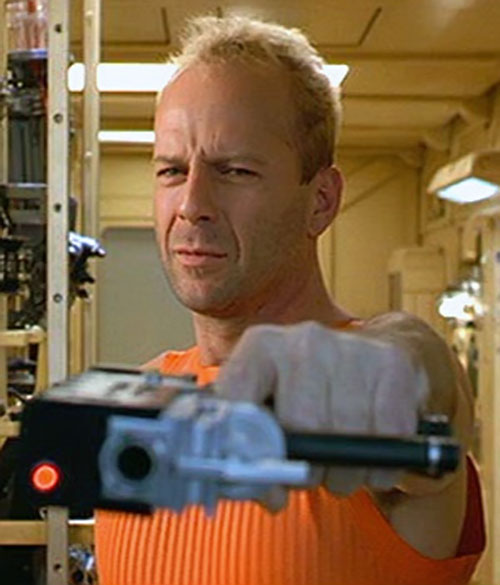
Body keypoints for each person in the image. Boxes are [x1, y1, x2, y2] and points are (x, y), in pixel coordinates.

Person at [95, 15, 485, 585]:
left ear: (321, 201)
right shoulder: (137, 405)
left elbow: (423, 375)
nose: (192, 204)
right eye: (172, 170)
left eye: (235, 170)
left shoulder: (360, 395)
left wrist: (395, 363)